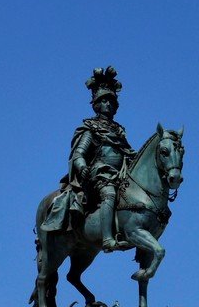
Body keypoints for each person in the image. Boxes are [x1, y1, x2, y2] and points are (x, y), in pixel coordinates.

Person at [45, 66, 136, 251]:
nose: (108, 105)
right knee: (109, 193)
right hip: (99, 173)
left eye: (111, 102)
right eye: (104, 101)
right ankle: (108, 239)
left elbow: (127, 152)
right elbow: (79, 153)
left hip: (120, 174)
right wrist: (82, 166)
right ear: (96, 104)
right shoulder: (90, 128)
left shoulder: (119, 131)